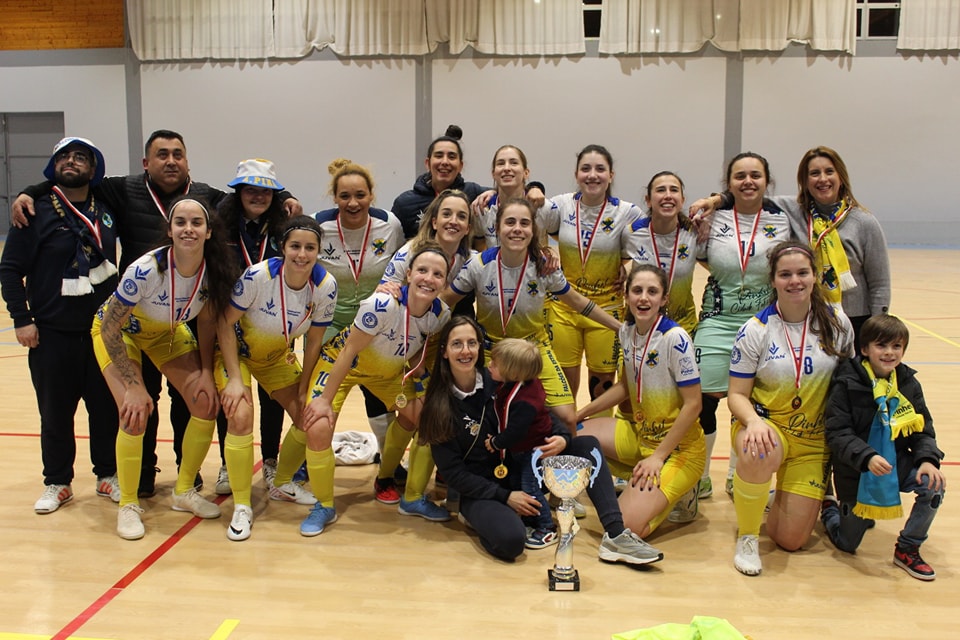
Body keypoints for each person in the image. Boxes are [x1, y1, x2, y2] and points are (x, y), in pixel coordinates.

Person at [12, 129, 302, 497]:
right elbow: (74, 184)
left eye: (177, 154)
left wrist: (286, 196)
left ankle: (188, 479)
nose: (170, 161)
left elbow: (250, 195)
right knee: (138, 406)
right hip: (129, 321)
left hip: (177, 322)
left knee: (197, 399)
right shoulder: (123, 194)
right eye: (161, 154)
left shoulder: (207, 199)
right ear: (147, 163)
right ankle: (136, 484)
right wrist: (31, 191)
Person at [419, 316, 663, 565]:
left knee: (586, 446)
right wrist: (505, 497)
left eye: (472, 342)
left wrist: (562, 438)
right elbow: (453, 474)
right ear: (445, 352)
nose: (466, 350)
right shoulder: (438, 404)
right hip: (483, 490)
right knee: (511, 542)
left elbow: (538, 413)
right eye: (457, 344)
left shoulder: (499, 377)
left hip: (522, 471)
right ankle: (484, 517)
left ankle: (615, 534)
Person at [91, 196, 237, 540]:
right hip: (119, 333)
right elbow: (111, 328)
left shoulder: (213, 271)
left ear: (209, 231)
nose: (189, 229)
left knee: (205, 402)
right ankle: (128, 503)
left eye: (196, 223)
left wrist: (203, 370)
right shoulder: (144, 270)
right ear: (169, 230)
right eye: (180, 223)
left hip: (165, 334)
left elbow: (205, 322)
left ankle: (184, 491)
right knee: (135, 411)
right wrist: (133, 385)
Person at [298, 242, 453, 536]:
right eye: (422, 270)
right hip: (341, 366)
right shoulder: (381, 304)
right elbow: (347, 353)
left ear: (444, 281)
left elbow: (421, 356)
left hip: (387, 374)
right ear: (408, 274)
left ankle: (406, 493)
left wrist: (421, 385)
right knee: (318, 425)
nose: (428, 278)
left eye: (437, 274)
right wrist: (324, 401)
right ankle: (324, 505)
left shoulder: (440, 314)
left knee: (427, 422)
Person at [0, 137, 120, 514]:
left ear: (94, 167)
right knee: (55, 413)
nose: (72, 162)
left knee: (105, 410)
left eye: (80, 157)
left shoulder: (108, 204)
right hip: (52, 333)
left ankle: (108, 474)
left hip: (102, 333)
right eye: (64, 156)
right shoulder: (33, 209)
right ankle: (58, 481)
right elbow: (10, 269)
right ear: (53, 165)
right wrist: (22, 319)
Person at [727, 240, 853, 576]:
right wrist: (753, 422)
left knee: (791, 540)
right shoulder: (755, 329)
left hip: (812, 440)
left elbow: (850, 384)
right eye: (785, 274)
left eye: (802, 272)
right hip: (768, 428)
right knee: (757, 451)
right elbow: (736, 394)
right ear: (773, 280)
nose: (794, 280)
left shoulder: (837, 322)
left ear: (814, 276)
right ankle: (748, 536)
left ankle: (774, 495)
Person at [443, 197, 621, 434]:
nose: (517, 229)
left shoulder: (543, 266)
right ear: (497, 228)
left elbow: (578, 302)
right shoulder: (478, 265)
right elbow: (445, 301)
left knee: (568, 418)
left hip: (534, 348)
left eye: (524, 223)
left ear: (533, 230)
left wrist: (620, 327)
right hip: (491, 349)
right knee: (484, 418)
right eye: (510, 222)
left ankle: (561, 468)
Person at [691, 146, 890, 349]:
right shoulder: (793, 210)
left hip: (855, 320)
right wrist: (715, 200)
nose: (822, 179)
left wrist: (876, 332)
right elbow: (748, 192)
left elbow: (880, 284)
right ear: (805, 181)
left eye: (829, 171)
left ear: (841, 177)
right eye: (814, 173)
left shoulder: (864, 222)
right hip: (810, 319)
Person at [216, 216, 338, 541]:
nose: (302, 254)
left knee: (308, 415)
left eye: (309, 247)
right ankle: (242, 505)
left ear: (318, 251)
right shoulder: (258, 276)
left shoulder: (325, 286)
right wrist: (234, 380)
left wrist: (303, 388)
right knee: (241, 414)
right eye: (295, 246)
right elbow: (224, 324)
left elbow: (314, 342)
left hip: (274, 358)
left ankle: (282, 483)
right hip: (237, 352)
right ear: (282, 247)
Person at [577, 264, 705, 537]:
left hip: (677, 451)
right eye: (637, 290)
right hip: (641, 437)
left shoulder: (675, 339)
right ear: (627, 295)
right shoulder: (628, 332)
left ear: (664, 299)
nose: (643, 298)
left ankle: (680, 490)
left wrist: (658, 457)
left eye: (652, 291)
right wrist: (581, 413)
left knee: (624, 527)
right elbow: (625, 386)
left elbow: (694, 405)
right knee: (574, 437)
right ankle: (645, 484)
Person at [693, 152, 791, 497]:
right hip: (716, 320)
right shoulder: (712, 216)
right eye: (739, 176)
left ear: (768, 181)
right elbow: (700, 255)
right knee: (702, 399)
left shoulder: (783, 217)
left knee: (752, 402)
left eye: (755, 175)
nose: (748, 181)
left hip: (764, 324)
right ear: (729, 184)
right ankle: (699, 476)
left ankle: (740, 472)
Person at [823, 314, 945, 581]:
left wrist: (927, 460)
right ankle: (829, 507)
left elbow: (923, 429)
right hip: (856, 471)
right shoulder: (846, 382)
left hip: (894, 463)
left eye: (896, 346)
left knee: (933, 485)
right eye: (881, 345)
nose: (889, 353)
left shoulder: (908, 384)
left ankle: (908, 548)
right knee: (848, 544)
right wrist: (866, 457)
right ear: (865, 349)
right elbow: (837, 433)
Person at [623, 172, 710, 498]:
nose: (668, 195)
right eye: (660, 190)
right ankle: (645, 458)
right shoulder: (632, 234)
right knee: (637, 392)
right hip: (641, 325)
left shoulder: (693, 233)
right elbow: (619, 267)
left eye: (675, 189)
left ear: (683, 198)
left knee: (684, 399)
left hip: (682, 324)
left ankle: (692, 475)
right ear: (648, 199)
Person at [313, 159, 404, 456]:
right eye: (344, 196)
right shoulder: (318, 224)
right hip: (329, 326)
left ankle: (388, 466)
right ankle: (308, 458)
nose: (353, 203)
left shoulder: (389, 224)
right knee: (319, 398)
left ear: (371, 195)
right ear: (334, 197)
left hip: (375, 326)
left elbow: (403, 267)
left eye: (360, 195)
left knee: (377, 397)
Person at [213, 158, 291, 496]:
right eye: (250, 190)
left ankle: (271, 461)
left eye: (265, 191)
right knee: (231, 398)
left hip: (272, 326)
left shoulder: (283, 228)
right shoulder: (220, 227)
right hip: (229, 324)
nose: (257, 196)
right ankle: (227, 463)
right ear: (239, 192)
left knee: (272, 400)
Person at [541, 144, 643, 401]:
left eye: (600, 169)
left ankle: (598, 440)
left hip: (606, 309)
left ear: (611, 175)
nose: (592, 175)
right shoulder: (561, 205)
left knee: (602, 387)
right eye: (585, 169)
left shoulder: (627, 212)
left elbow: (646, 244)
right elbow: (533, 216)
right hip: (564, 308)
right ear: (576, 175)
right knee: (562, 388)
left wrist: (626, 266)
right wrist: (546, 250)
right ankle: (567, 438)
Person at [390, 125, 544, 241]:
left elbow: (510, 189)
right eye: (439, 156)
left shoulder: (473, 193)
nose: (445, 162)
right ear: (428, 163)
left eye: (451, 156)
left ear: (460, 166)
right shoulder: (405, 203)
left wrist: (533, 188)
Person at [485, 339, 559, 549]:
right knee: (518, 482)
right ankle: (530, 519)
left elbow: (515, 432)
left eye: (495, 364)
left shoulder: (524, 401)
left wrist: (496, 443)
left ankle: (547, 527)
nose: (490, 365)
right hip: (523, 449)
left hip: (533, 451)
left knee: (529, 488)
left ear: (513, 373)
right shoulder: (519, 383)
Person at [476, 145, 555, 250]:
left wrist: (551, 253)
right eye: (500, 163)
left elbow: (565, 240)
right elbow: (480, 250)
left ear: (526, 173)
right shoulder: (482, 209)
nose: (507, 168)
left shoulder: (544, 207)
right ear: (493, 174)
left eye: (514, 163)